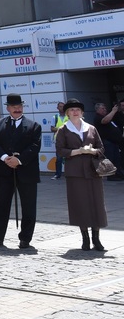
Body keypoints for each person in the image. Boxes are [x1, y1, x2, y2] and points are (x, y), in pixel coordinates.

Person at [0, 93, 42, 249]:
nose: (17, 109)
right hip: (5, 171)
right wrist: (5, 158)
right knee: (1, 205)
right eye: (14, 107)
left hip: (26, 171)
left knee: (29, 206)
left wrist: (18, 160)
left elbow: (34, 147)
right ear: (8, 108)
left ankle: (25, 239)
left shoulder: (33, 126)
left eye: (19, 106)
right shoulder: (0, 124)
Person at [55, 98, 108, 251]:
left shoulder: (91, 128)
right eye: (72, 110)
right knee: (80, 204)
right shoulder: (63, 130)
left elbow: (101, 147)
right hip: (75, 172)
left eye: (78, 109)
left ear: (82, 112)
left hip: (93, 171)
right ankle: (85, 238)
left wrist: (93, 151)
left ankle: (96, 239)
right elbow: (60, 151)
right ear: (67, 113)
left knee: (96, 203)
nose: (75, 112)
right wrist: (78, 151)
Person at [94, 102, 124, 181]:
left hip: (114, 142)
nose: (105, 110)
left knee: (117, 159)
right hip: (107, 142)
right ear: (98, 110)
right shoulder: (98, 118)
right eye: (102, 108)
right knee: (111, 159)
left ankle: (118, 174)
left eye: (105, 108)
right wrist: (113, 111)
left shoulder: (107, 117)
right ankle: (111, 176)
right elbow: (105, 121)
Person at [50, 102, 67, 179]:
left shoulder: (69, 117)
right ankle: (57, 174)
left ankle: (69, 173)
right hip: (59, 140)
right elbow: (52, 128)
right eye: (60, 107)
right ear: (57, 108)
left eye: (63, 106)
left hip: (68, 139)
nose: (62, 108)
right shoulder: (55, 117)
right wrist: (61, 129)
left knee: (69, 157)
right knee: (59, 158)